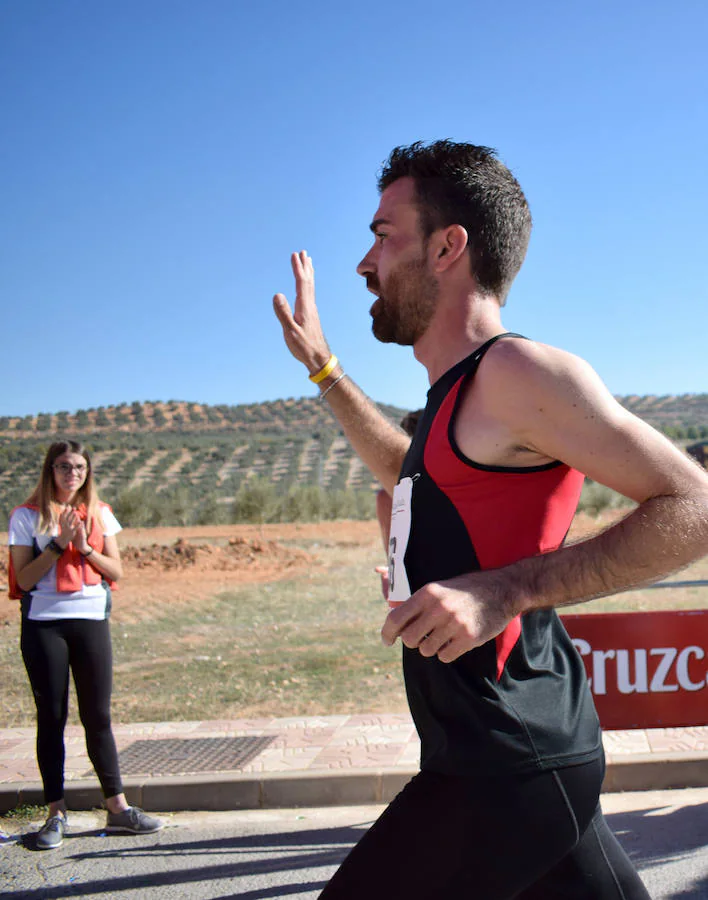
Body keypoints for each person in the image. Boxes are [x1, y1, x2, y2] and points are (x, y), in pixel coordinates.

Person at [273, 140, 708, 898]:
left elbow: (694, 507)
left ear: (448, 247)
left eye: (383, 234)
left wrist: (501, 591)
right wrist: (325, 369)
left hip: (510, 763)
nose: (364, 264)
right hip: (510, 752)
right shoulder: (452, 398)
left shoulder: (516, 372)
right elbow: (407, 468)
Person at [7, 440, 163, 850]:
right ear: (50, 471)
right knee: (52, 716)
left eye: (78, 467)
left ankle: (118, 809)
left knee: (98, 716)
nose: (71, 473)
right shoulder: (26, 517)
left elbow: (117, 570)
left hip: (91, 620)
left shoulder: (101, 514)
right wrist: (58, 544)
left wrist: (86, 546)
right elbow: (22, 581)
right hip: (45, 625)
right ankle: (55, 814)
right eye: (63, 466)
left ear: (87, 472)